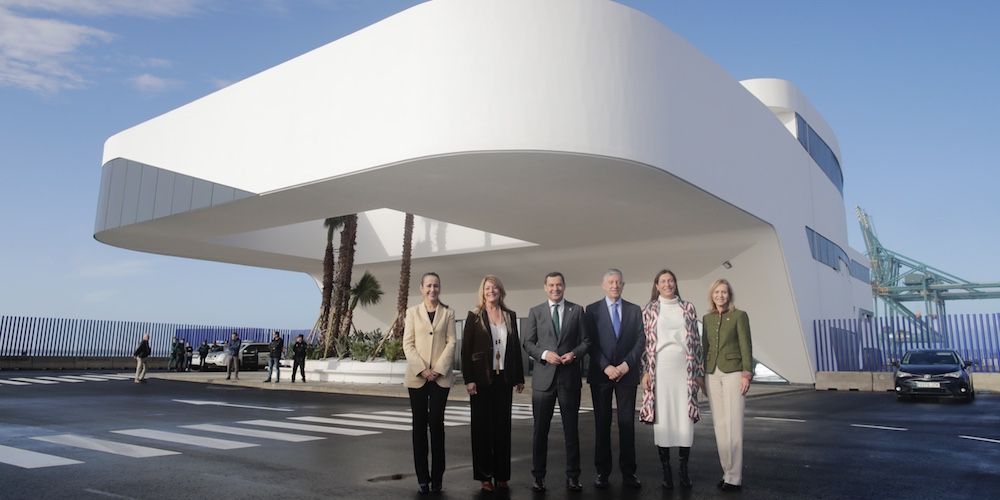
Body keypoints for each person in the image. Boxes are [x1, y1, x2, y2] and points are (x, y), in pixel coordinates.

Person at [522, 271, 591, 493]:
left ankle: (573, 476)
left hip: (569, 379)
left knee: (571, 431)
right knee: (540, 431)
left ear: (564, 286)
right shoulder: (536, 312)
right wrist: (544, 355)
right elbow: (528, 343)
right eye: (551, 285)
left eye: (559, 285)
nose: (555, 289)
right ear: (545, 287)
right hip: (544, 380)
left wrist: (574, 354)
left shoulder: (577, 311)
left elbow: (586, 341)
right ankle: (538, 477)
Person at [639, 269, 703, 490]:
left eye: (670, 280)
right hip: (660, 369)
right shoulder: (649, 310)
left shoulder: (688, 308)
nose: (667, 284)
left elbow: (696, 341)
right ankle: (667, 473)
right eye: (662, 281)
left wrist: (697, 372)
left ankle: (683, 471)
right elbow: (644, 343)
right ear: (656, 285)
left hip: (684, 368)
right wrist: (646, 371)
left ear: (676, 283)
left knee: (685, 418)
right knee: (663, 419)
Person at [461, 275, 525, 492]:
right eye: (488, 288)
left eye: (495, 288)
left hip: (503, 380)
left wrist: (519, 377)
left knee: (502, 428)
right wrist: (468, 379)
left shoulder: (510, 315)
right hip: (481, 380)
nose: (491, 291)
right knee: (481, 429)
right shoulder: (474, 316)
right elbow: (465, 350)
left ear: (501, 291)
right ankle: (484, 476)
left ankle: (502, 475)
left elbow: (515, 347)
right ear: (483, 291)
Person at [586, 269, 644, 489]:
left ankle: (629, 472)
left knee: (626, 424)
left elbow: (641, 339)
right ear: (603, 285)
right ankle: (602, 472)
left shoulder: (634, 310)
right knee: (602, 424)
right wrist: (606, 366)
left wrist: (624, 365)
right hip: (601, 375)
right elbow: (589, 342)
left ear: (623, 284)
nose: (615, 285)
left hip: (627, 374)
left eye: (618, 282)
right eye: (611, 282)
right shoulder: (591, 311)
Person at [402, 272, 456, 495]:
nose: (432, 290)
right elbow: (408, 343)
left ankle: (437, 477)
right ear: (421, 288)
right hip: (418, 377)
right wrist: (422, 369)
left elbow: (452, 342)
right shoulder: (412, 312)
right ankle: (422, 477)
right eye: (428, 286)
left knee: (436, 424)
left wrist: (438, 369)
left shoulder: (448, 313)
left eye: (436, 285)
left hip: (440, 378)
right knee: (419, 426)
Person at [702, 278, 752, 493]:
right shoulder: (707, 318)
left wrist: (747, 373)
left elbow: (745, 344)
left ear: (729, 295)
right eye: (717, 292)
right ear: (712, 295)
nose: (720, 295)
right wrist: (701, 375)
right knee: (720, 426)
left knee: (734, 426)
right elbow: (704, 348)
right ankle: (727, 473)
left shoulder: (739, 316)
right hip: (712, 374)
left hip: (733, 373)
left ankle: (735, 477)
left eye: (724, 292)